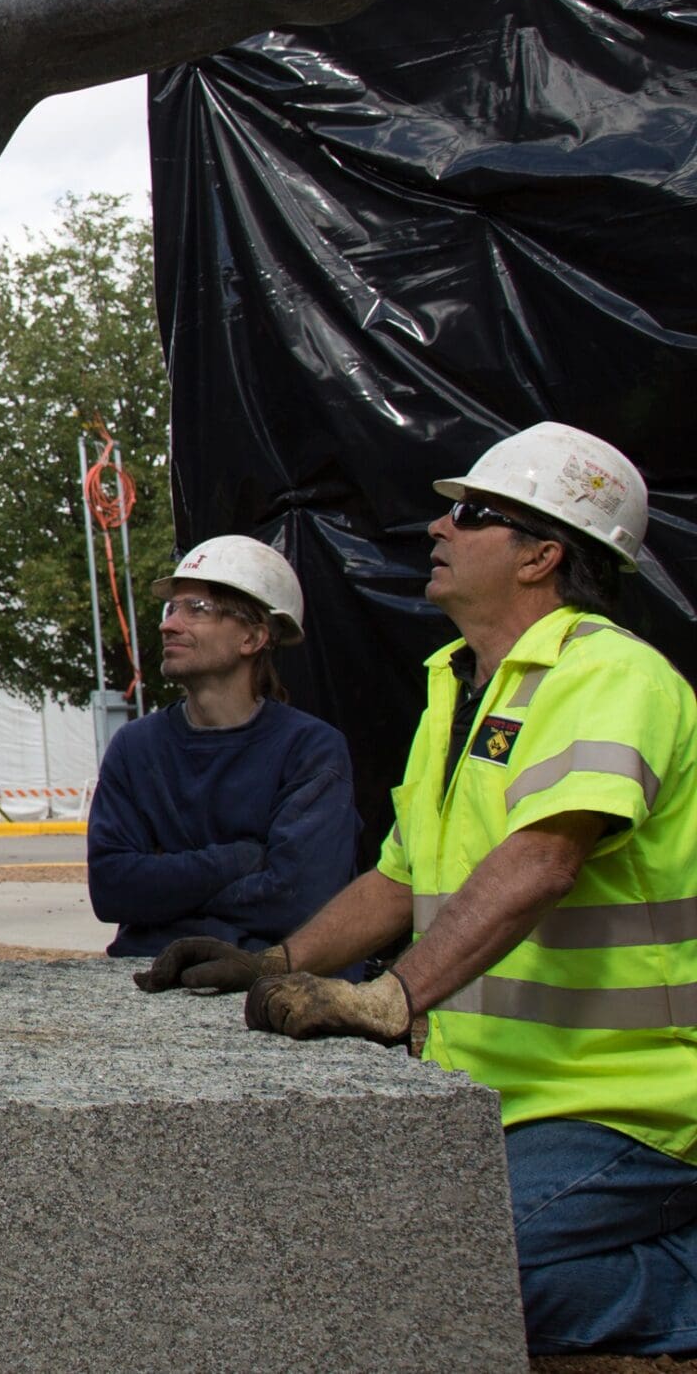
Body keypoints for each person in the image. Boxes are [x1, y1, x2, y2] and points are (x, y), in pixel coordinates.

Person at [137, 423, 696, 1360]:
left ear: (543, 554)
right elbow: (401, 876)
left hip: (630, 1105)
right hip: (494, 1093)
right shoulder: (456, 684)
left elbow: (546, 858)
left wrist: (391, 994)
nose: (437, 526)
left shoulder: (610, 674)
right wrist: (277, 960)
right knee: (390, 1261)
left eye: (471, 513)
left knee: (436, 1275)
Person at [86, 536, 356, 958]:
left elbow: (299, 899)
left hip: (268, 989)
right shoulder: (135, 748)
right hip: (150, 988)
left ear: (252, 638)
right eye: (171, 608)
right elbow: (112, 888)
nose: (168, 624)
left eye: (197, 609)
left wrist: (168, 898)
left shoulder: (309, 750)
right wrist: (243, 860)